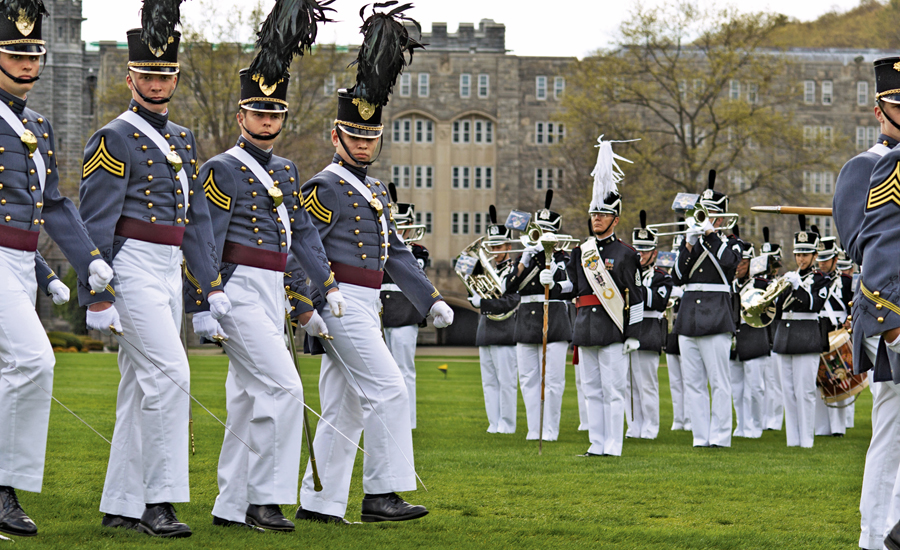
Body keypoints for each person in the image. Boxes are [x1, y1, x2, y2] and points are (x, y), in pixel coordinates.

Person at [296, 3, 452, 525]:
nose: (363, 145)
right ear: (336, 137)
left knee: (345, 406)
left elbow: (397, 253)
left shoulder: (375, 189)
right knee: (389, 389)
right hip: (339, 305)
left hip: (368, 304)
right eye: (354, 137)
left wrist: (429, 298)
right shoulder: (325, 186)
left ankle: (319, 502)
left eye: (370, 138)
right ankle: (381, 495)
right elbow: (301, 248)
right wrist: (309, 304)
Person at [191, 5, 345, 529]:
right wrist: (205, 299)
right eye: (259, 114)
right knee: (285, 388)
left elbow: (300, 233)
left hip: (270, 291)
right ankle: (265, 498)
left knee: (247, 400)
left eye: (275, 114)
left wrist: (320, 286)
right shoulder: (221, 168)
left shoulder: (285, 168)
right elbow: (204, 239)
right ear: (240, 116)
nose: (268, 122)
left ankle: (230, 507)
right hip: (234, 292)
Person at [78, 19, 230, 537]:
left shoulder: (185, 141)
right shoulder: (113, 137)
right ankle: (157, 502)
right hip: (131, 265)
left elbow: (196, 224)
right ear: (130, 77)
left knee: (137, 389)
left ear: (177, 77)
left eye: (166, 73)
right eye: (149, 73)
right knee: (171, 376)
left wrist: (207, 291)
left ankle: (120, 505)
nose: (158, 81)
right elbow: (94, 221)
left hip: (169, 269)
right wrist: (97, 293)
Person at [0, 2, 114, 537]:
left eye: (33, 53)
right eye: (14, 53)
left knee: (19, 368)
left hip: (22, 261)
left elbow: (53, 204)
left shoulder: (38, 126)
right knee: (35, 362)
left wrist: (85, 259)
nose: (26, 64)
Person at [832, 55, 900, 550]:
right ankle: (876, 535)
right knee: (892, 436)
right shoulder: (866, 167)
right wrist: (892, 324)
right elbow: (865, 245)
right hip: (894, 314)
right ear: (880, 110)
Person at [567, 138, 642, 456]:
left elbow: (636, 296)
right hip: (585, 327)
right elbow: (572, 290)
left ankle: (614, 445)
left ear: (616, 219)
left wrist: (633, 333)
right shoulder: (579, 252)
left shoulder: (625, 254)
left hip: (613, 327)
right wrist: (550, 279)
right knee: (591, 391)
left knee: (614, 391)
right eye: (594, 213)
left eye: (603, 214)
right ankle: (596, 444)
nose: (597, 218)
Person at [672, 173, 740, 448]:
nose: (706, 217)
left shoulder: (731, 243)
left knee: (719, 382)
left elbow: (729, 264)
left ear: (721, 219)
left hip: (716, 315)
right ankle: (700, 437)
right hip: (688, 317)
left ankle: (721, 437)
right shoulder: (690, 241)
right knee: (694, 383)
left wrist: (710, 234)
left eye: (712, 214)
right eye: (704, 213)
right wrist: (688, 243)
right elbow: (678, 277)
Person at [506, 190, 573, 442]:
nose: (541, 236)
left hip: (553, 317)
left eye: (547, 232)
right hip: (527, 318)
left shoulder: (563, 258)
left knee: (553, 380)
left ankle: (550, 429)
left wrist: (554, 279)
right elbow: (509, 287)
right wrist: (523, 260)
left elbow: (570, 287)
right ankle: (534, 429)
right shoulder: (524, 258)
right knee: (528, 379)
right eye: (538, 231)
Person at [770, 218, 827, 448]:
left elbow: (814, 304)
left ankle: (807, 440)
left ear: (815, 256)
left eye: (805, 254)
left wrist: (798, 287)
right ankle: (792, 440)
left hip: (806, 335)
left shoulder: (821, 279)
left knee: (805, 392)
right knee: (789, 392)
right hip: (785, 336)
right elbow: (776, 310)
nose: (800, 259)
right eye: (798, 254)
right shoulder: (788, 278)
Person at [381, 184, 430, 429]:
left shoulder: (417, 251)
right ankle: (386, 418)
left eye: (403, 226)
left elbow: (413, 271)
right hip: (381, 314)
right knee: (381, 371)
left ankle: (408, 421)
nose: (399, 230)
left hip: (405, 315)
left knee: (404, 369)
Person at [469, 206, 520, 434]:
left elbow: (511, 301)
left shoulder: (514, 271)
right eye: (490, 246)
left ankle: (507, 425)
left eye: (498, 246)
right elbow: (476, 294)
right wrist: (474, 298)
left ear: (508, 247)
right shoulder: (484, 270)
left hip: (506, 330)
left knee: (506, 383)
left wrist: (484, 303)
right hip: (486, 329)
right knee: (489, 383)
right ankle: (494, 423)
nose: (493, 251)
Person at [626, 211, 671, 439]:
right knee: (629, 386)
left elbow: (658, 300)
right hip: (627, 331)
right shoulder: (627, 273)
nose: (641, 254)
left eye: (645, 250)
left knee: (647, 384)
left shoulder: (662, 277)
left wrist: (634, 290)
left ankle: (650, 428)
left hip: (649, 330)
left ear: (655, 252)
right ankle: (633, 427)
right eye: (638, 249)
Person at [729, 228, 769, 439]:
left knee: (755, 387)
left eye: (742, 263)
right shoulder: (728, 283)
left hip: (754, 334)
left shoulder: (761, 284)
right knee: (736, 387)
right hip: (735, 336)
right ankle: (741, 424)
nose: (738, 267)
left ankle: (755, 425)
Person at [814, 236, 851, 437]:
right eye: (820, 258)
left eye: (826, 259)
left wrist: (849, 322)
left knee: (839, 378)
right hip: (818, 330)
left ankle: (838, 427)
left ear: (835, 259)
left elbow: (852, 304)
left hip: (838, 331)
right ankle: (821, 427)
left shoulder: (845, 281)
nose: (821, 263)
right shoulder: (814, 279)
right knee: (818, 381)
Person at [759, 227, 785, 432]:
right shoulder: (757, 283)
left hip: (775, 331)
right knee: (762, 381)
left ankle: (774, 420)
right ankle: (762, 417)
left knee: (775, 381)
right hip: (760, 334)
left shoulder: (780, 283)